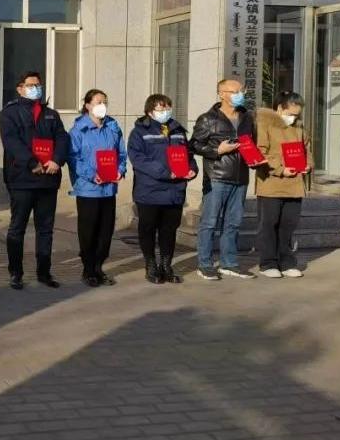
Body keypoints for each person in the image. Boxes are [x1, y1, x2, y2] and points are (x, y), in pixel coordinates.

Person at [0, 71, 70, 289]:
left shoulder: (51, 114)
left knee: (45, 230)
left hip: (48, 180)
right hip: (22, 179)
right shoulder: (10, 113)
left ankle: (44, 272)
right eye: (31, 85)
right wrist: (32, 162)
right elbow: (11, 142)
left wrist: (57, 160)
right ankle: (16, 273)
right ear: (20, 88)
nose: (35, 88)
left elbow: (62, 139)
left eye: (38, 85)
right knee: (17, 228)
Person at [189, 78, 257, 280]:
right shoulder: (208, 119)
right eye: (235, 91)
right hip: (217, 176)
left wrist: (255, 158)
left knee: (233, 223)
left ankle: (229, 263)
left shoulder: (247, 117)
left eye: (241, 91)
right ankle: (205, 264)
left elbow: (252, 143)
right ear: (221, 94)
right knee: (210, 222)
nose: (240, 94)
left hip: (241, 176)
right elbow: (193, 145)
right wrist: (217, 150)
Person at [127, 94, 198, 285]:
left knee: (169, 230)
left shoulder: (177, 130)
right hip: (150, 190)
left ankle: (166, 265)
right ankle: (150, 265)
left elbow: (188, 155)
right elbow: (138, 159)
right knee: (148, 229)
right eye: (161, 108)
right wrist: (166, 173)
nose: (165, 111)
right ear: (150, 111)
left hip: (174, 191)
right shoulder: (139, 132)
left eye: (168, 107)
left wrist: (192, 169)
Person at [66, 89, 127, 287]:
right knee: (88, 231)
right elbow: (73, 158)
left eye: (105, 102)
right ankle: (88, 269)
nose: (103, 105)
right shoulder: (78, 130)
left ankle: (99, 267)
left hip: (109, 188)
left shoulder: (112, 126)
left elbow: (121, 153)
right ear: (88, 105)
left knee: (105, 231)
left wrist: (120, 170)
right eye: (98, 102)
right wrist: (92, 175)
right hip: (88, 189)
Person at [254, 91, 312, 278]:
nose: (293, 118)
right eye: (291, 114)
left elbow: (307, 149)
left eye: (297, 114)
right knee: (269, 225)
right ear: (280, 108)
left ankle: (287, 262)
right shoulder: (265, 124)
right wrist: (280, 169)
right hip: (271, 184)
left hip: (294, 185)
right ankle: (268, 263)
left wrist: (308, 165)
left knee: (288, 225)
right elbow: (260, 153)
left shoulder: (299, 127)